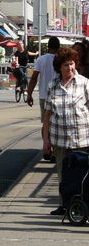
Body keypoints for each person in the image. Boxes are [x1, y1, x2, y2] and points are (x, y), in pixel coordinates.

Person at [41, 47, 89, 215]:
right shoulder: (52, 86)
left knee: (82, 173)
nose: (70, 68)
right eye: (66, 65)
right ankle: (64, 205)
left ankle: (81, 205)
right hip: (60, 139)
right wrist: (46, 140)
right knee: (62, 173)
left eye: (72, 64)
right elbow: (47, 114)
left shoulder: (84, 83)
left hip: (82, 138)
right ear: (59, 68)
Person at [28, 36, 61, 111]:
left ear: (48, 47)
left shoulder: (41, 59)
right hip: (59, 95)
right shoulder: (61, 59)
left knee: (45, 120)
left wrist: (29, 94)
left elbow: (34, 78)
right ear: (59, 46)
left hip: (44, 94)